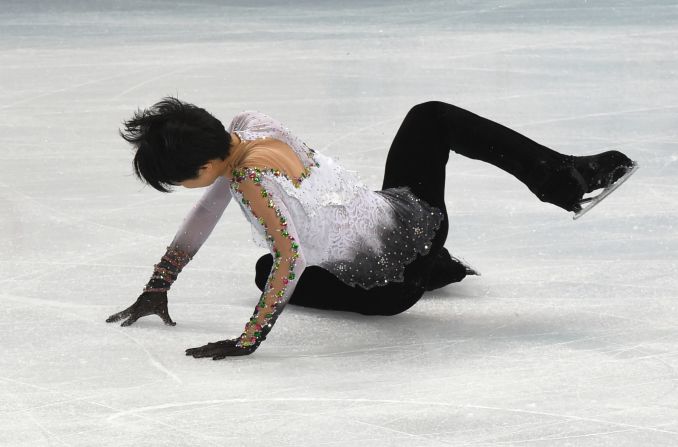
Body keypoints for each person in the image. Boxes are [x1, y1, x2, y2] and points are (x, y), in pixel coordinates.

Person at [105, 98, 637, 360]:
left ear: (200, 167)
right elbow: (211, 205)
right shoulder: (249, 126)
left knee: (269, 267)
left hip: (392, 291)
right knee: (431, 117)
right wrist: (158, 286)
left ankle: (430, 274)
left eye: (179, 180)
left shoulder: (249, 185)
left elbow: (287, 259)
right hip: (420, 218)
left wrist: (248, 341)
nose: (186, 190)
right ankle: (564, 179)